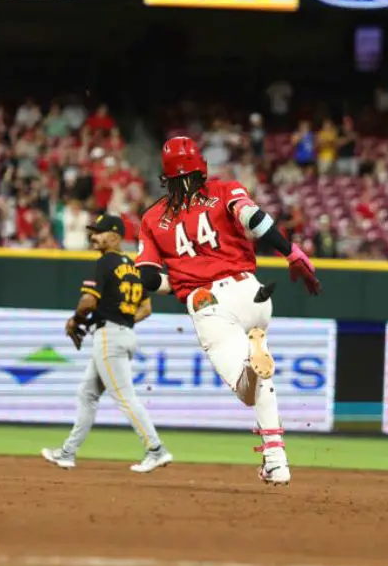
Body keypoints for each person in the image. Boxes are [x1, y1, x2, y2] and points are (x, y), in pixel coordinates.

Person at [134, 137, 322, 485]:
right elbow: (253, 218)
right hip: (253, 293)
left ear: (165, 176)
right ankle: (276, 460)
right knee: (261, 377)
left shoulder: (152, 218)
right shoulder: (225, 190)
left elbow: (147, 277)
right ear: (200, 165)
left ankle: (253, 369)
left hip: (208, 303)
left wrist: (178, 279)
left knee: (246, 388)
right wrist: (290, 252)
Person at [41, 214, 172, 473]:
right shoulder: (134, 267)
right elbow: (145, 309)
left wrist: (76, 319)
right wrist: (120, 319)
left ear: (114, 236)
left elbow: (88, 302)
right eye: (93, 232)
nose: (93, 236)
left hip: (110, 338)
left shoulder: (105, 262)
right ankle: (67, 453)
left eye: (99, 232)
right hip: (122, 333)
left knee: (124, 397)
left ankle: (156, 450)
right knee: (87, 394)